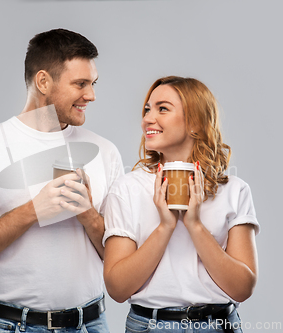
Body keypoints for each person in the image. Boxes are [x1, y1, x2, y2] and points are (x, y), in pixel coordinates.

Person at [0, 28, 124, 333]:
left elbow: (122, 263)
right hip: (13, 326)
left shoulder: (106, 152)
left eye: (92, 84)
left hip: (92, 324)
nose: (91, 95)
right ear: (43, 81)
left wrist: (89, 215)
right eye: (80, 84)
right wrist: (33, 211)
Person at [103, 76, 259, 333]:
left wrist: (194, 225)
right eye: (147, 109)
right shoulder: (127, 188)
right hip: (150, 327)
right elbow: (118, 289)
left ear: (196, 123)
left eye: (162, 108)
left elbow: (242, 288)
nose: (148, 119)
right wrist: (165, 226)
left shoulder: (234, 190)